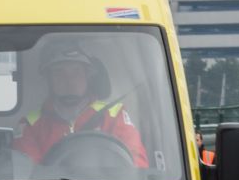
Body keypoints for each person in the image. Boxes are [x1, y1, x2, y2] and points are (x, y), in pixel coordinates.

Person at [14, 38, 147, 167]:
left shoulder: (114, 115)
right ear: (49, 79)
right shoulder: (30, 125)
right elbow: (27, 175)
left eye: (76, 72)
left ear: (87, 77)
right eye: (59, 73)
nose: (69, 80)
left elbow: (136, 164)